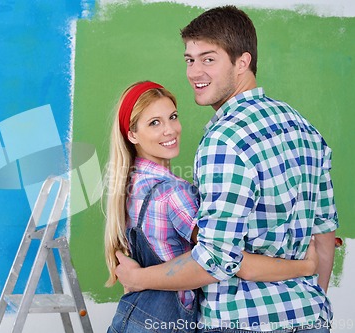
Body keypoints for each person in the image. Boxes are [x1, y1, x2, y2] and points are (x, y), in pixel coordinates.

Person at [105, 80, 320, 333]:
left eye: (172, 117)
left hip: (131, 318)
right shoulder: (174, 192)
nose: (170, 130)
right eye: (155, 123)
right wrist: (304, 267)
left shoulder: (130, 184)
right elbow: (227, 261)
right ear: (132, 135)